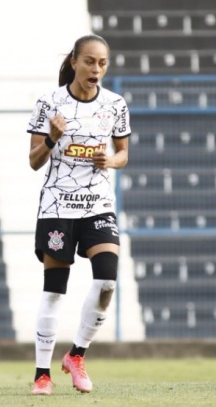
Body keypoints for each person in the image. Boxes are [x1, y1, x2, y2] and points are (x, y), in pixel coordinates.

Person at [26, 34, 130, 395]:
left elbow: (123, 154)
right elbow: (34, 161)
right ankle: (42, 374)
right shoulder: (49, 103)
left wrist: (111, 160)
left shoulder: (116, 105)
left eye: (102, 63)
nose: (96, 69)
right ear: (74, 62)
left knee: (107, 282)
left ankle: (76, 355)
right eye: (90, 61)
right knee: (55, 291)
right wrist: (52, 139)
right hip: (57, 206)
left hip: (97, 205)